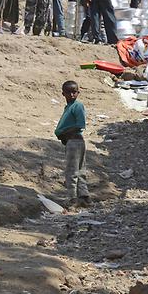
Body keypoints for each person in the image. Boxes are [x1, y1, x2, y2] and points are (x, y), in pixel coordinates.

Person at [55, 80, 89, 211]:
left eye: (74, 92)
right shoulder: (69, 107)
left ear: (78, 93)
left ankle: (72, 199)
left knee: (71, 171)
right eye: (69, 92)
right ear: (63, 94)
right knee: (79, 170)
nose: (72, 95)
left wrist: (63, 133)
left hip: (74, 141)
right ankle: (84, 197)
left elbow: (80, 124)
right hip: (74, 141)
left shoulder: (77, 106)